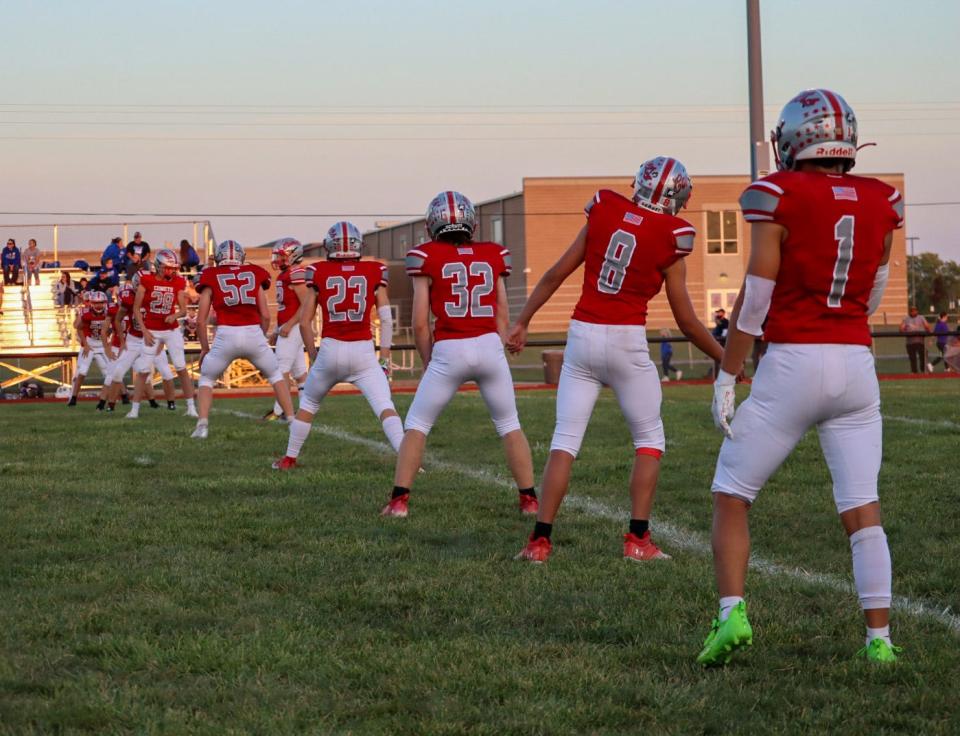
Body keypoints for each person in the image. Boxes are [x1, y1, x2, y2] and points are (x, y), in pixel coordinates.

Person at [698, 89, 904, 666]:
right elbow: (876, 291)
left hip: (793, 361)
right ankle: (880, 641)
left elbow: (756, 297)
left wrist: (728, 372)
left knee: (731, 494)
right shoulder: (881, 199)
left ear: (792, 138)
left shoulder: (778, 194)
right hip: (856, 365)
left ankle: (730, 614)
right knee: (863, 506)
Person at [509, 157, 724, 564]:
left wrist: (523, 320)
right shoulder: (672, 234)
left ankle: (539, 542)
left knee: (565, 441)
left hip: (582, 335)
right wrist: (726, 359)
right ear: (676, 197)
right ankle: (637, 540)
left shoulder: (605, 207)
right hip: (626, 341)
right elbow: (687, 322)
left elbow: (556, 272)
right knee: (649, 440)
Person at [382, 191, 536, 518]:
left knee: (418, 425)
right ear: (473, 224)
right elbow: (502, 311)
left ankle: (399, 502)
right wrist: (501, 342)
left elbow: (420, 322)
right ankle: (529, 500)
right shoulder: (493, 254)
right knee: (509, 424)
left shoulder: (426, 256)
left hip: (450, 348)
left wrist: (428, 361)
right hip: (488, 346)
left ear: (431, 225)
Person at [272, 224, 402, 469]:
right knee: (385, 406)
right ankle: (409, 461)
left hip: (330, 350)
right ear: (357, 245)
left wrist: (314, 355)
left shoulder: (317, 271)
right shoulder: (374, 270)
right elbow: (385, 319)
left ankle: (289, 458)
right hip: (363, 351)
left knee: (308, 405)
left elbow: (304, 323)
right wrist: (384, 358)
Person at [192, 240, 294, 439]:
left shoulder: (210, 275)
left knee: (206, 378)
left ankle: (202, 425)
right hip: (253, 333)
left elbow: (200, 320)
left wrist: (205, 348)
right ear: (241, 257)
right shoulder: (254, 273)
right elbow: (265, 315)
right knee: (276, 376)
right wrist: (260, 336)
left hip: (226, 335)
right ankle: (292, 420)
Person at [127, 249, 197, 419]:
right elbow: (136, 308)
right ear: (158, 266)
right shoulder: (147, 280)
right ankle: (134, 410)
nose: (171, 271)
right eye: (168, 268)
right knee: (143, 370)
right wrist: (144, 331)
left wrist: (174, 315)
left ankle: (191, 408)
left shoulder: (178, 282)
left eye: (173, 268)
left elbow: (183, 310)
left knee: (181, 367)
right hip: (152, 330)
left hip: (171, 330)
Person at [103, 267, 176, 412]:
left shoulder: (156, 296)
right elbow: (117, 320)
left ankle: (171, 403)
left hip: (154, 338)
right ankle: (111, 405)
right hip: (134, 339)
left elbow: (165, 321)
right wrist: (123, 341)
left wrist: (161, 342)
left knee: (166, 372)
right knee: (118, 371)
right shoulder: (129, 297)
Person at [263, 238, 309, 422]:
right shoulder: (286, 274)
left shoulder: (297, 273)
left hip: (294, 326)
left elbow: (306, 304)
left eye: (281, 256)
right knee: (299, 372)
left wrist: (289, 325)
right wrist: (277, 329)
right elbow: (285, 307)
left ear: (293, 255)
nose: (277, 260)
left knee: (279, 369)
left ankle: (279, 411)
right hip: (289, 326)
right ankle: (305, 410)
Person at [67, 290, 115, 406]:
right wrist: (85, 344)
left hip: (103, 344)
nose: (98, 305)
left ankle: (111, 398)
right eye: (96, 303)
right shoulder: (86, 312)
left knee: (110, 372)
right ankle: (73, 398)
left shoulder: (109, 312)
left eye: (101, 303)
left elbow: (116, 326)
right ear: (91, 303)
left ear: (105, 303)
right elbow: (77, 327)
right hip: (90, 344)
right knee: (82, 372)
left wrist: (111, 340)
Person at [899, 306, 932, 374]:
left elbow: (927, 327)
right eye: (912, 311)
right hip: (910, 342)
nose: (913, 312)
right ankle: (914, 372)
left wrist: (928, 332)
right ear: (910, 312)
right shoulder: (906, 319)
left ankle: (923, 370)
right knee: (912, 358)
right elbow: (901, 329)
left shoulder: (921, 317)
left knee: (922, 357)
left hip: (920, 342)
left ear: (917, 311)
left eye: (915, 310)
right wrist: (903, 327)